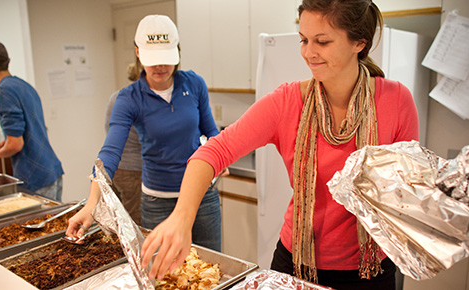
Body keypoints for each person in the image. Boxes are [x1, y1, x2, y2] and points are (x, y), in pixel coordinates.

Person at [140, 1, 419, 289]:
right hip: (295, 265)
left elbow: (406, 191)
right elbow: (213, 151)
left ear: (359, 43)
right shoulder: (287, 103)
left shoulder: (396, 101)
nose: (309, 53)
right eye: (304, 40)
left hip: (370, 271)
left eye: (322, 42)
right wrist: (182, 218)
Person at [66, 15, 221, 251]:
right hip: (157, 201)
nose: (160, 67)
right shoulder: (128, 98)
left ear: (177, 53)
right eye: (153, 59)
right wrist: (91, 204)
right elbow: (110, 152)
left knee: (211, 267)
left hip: (201, 193)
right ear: (138, 53)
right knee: (163, 273)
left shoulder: (194, 84)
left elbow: (210, 132)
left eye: (166, 59)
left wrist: (220, 158)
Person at [0, 40, 64, 202]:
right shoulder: (23, 85)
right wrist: (0, 144)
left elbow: (16, 144)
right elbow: (28, 131)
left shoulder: (4, 91)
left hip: (34, 176)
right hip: (51, 170)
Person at [105, 58, 143, 226]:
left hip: (116, 170)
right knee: (136, 224)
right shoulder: (138, 100)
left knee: (120, 221)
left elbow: (109, 131)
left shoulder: (116, 96)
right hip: (134, 172)